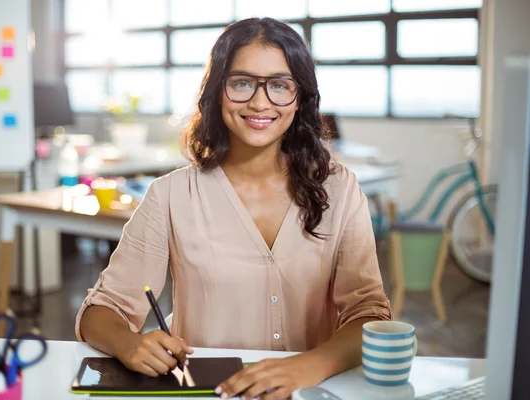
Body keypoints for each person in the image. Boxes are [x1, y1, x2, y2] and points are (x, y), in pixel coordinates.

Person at [76, 17, 392, 400]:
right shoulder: (171, 195)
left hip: (314, 391)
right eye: (242, 83)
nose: (260, 102)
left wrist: (308, 366)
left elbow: (370, 315)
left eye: (279, 85)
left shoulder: (339, 189)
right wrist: (128, 344)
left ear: (299, 97)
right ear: (217, 92)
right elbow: (101, 311)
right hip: (210, 393)